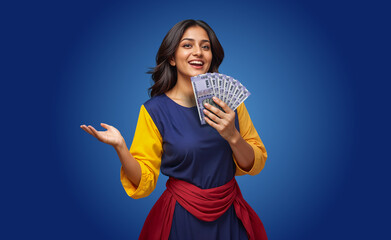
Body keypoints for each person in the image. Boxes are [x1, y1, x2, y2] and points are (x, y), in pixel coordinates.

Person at [80, 19, 268, 240]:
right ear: (171, 57)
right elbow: (145, 181)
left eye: (205, 46)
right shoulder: (154, 111)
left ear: (211, 56)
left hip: (229, 212)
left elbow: (255, 165)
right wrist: (121, 147)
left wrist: (233, 137)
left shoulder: (230, 104)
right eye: (187, 45)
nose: (198, 52)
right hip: (180, 216)